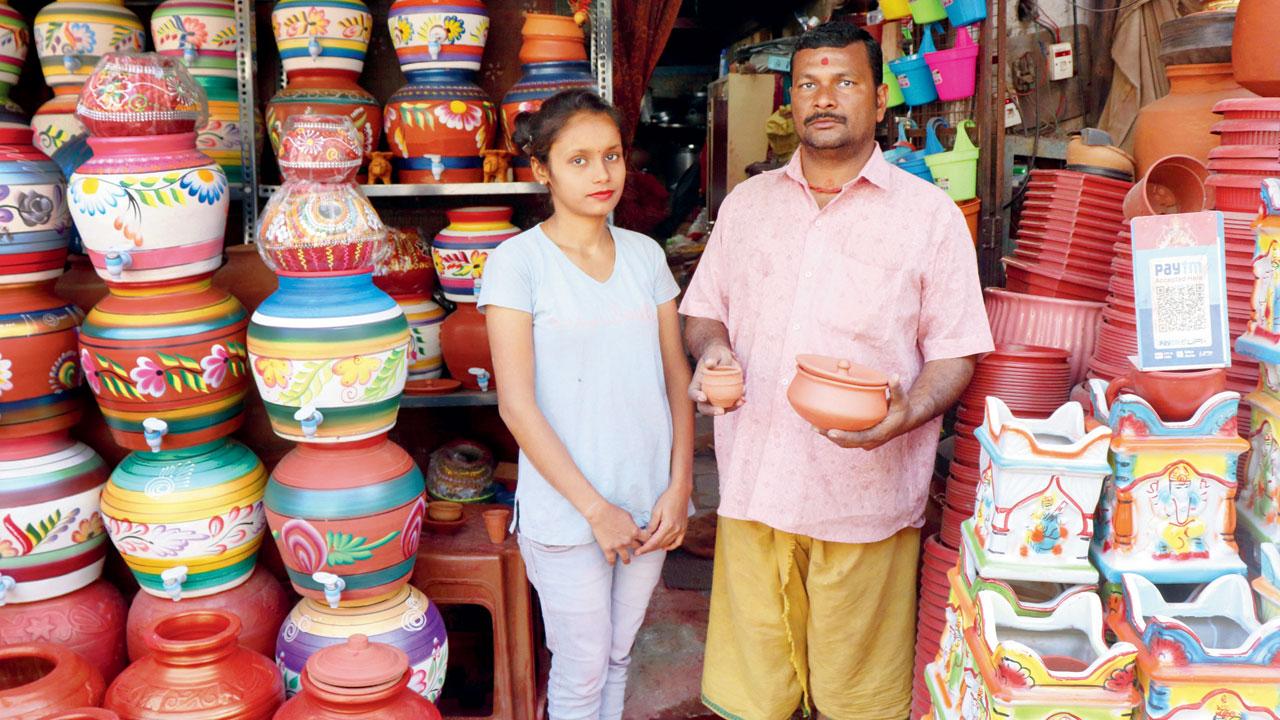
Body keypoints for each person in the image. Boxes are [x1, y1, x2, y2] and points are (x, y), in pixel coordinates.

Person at [679, 22, 994, 720]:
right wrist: (712, 351)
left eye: (845, 82)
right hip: (757, 489)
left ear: (880, 99)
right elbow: (703, 312)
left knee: (857, 702)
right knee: (752, 700)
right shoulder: (747, 207)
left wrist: (908, 413)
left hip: (867, 501)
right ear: (790, 102)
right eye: (809, 85)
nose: (825, 99)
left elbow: (957, 350)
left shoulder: (930, 217)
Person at [478, 89, 695, 720]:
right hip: (571, 512)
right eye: (578, 160)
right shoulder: (518, 265)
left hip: (649, 503)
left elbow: (674, 376)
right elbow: (516, 407)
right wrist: (596, 511)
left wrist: (679, 487)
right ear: (542, 169)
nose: (602, 175)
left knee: (619, 657)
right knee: (579, 670)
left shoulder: (646, 256)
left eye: (612, 156)